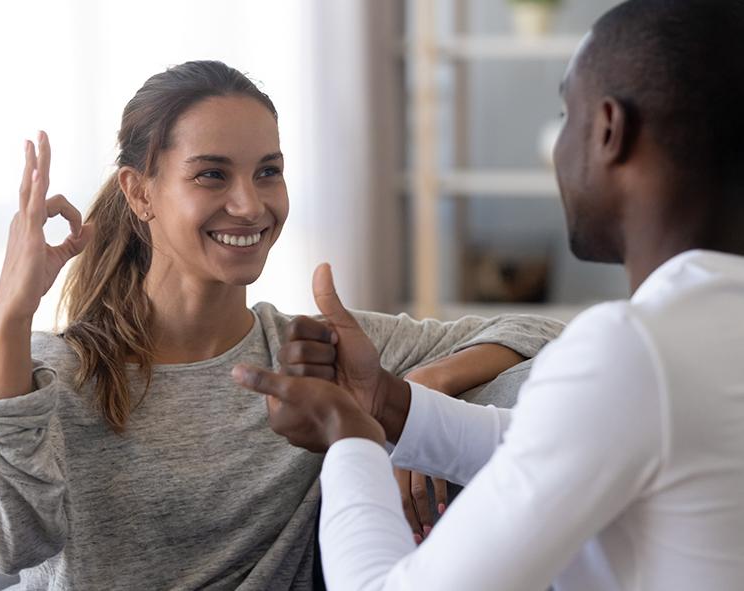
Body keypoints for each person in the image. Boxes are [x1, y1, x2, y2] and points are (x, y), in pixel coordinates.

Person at [0, 60, 563, 589]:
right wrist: (11, 318)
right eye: (212, 174)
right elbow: (7, 546)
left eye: (268, 171)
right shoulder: (59, 373)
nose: (250, 204)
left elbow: (540, 333)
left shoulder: (310, 354)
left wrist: (414, 394)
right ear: (140, 194)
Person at [232, 1, 744, 589]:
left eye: (563, 114)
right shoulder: (700, 332)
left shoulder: (634, 349)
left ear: (608, 129)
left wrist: (349, 436)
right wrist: (387, 400)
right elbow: (547, 443)